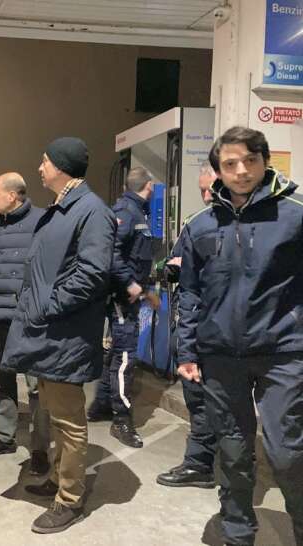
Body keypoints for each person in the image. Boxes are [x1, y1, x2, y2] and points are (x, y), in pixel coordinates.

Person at [177, 126, 303, 546]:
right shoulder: (200, 226)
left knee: (287, 451)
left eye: (250, 160)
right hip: (220, 356)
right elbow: (190, 291)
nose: (241, 171)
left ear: (265, 160)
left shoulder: (295, 214)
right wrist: (187, 349)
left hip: (283, 352)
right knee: (232, 449)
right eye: (230, 164)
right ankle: (236, 531)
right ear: (218, 170)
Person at [2, 137, 115, 534]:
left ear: (63, 166)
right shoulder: (64, 208)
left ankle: (69, 499)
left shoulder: (91, 212)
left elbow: (93, 272)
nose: (39, 168)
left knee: (69, 420)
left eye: (45, 161)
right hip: (52, 333)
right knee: (54, 412)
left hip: (66, 333)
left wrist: (49, 304)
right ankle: (58, 478)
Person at [0, 172, 51, 474]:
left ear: (13, 196)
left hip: (28, 319)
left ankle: (40, 449)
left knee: (36, 387)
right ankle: (5, 436)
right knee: (2, 381)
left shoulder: (42, 221)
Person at [156, 162, 218, 489]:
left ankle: (206, 464)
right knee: (197, 398)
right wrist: (172, 268)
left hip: (224, 334)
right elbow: (171, 267)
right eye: (202, 190)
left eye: (212, 188)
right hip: (196, 327)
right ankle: (200, 463)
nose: (207, 196)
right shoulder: (196, 224)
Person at [87, 166, 155, 449]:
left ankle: (102, 405)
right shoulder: (127, 212)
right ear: (148, 187)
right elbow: (112, 254)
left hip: (129, 296)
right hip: (121, 297)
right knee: (126, 357)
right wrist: (131, 285)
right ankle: (122, 419)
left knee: (116, 351)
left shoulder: (135, 211)